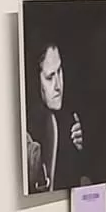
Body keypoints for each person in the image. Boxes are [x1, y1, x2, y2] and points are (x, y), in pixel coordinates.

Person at [23, 42, 85, 194]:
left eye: (59, 71)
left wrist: (83, 153)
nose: (58, 85)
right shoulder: (27, 131)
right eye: (50, 77)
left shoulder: (70, 120)